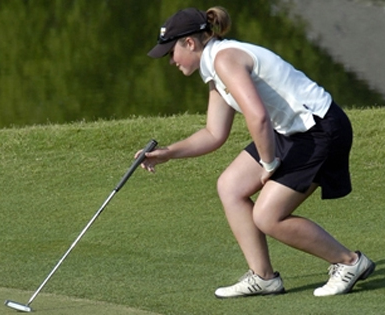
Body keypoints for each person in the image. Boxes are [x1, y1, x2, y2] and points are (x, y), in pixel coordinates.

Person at [136, 6, 375, 298]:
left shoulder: (225, 59)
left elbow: (257, 116)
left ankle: (349, 262)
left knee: (267, 216)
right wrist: (167, 153)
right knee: (230, 186)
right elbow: (214, 133)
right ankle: (264, 277)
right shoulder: (215, 68)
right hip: (291, 131)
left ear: (190, 43)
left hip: (320, 129)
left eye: (170, 52)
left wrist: (268, 162)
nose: (170, 61)